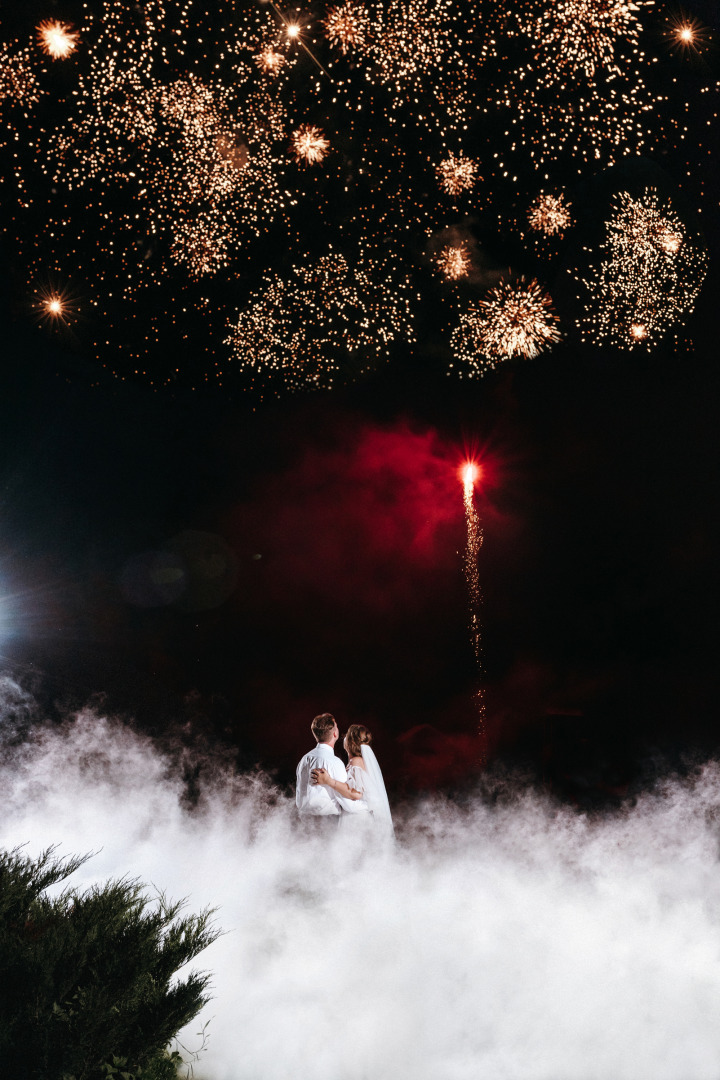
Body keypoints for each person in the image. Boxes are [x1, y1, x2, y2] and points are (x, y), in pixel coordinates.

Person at [311, 723, 394, 838]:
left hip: (357, 820)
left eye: (346, 736)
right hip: (353, 817)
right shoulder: (356, 761)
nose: (343, 738)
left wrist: (328, 781)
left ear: (351, 742)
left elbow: (357, 794)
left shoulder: (356, 761)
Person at [295, 713, 365, 827]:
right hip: (327, 822)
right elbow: (346, 798)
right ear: (335, 733)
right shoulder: (335, 763)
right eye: (336, 727)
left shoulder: (304, 759)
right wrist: (366, 806)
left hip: (303, 821)